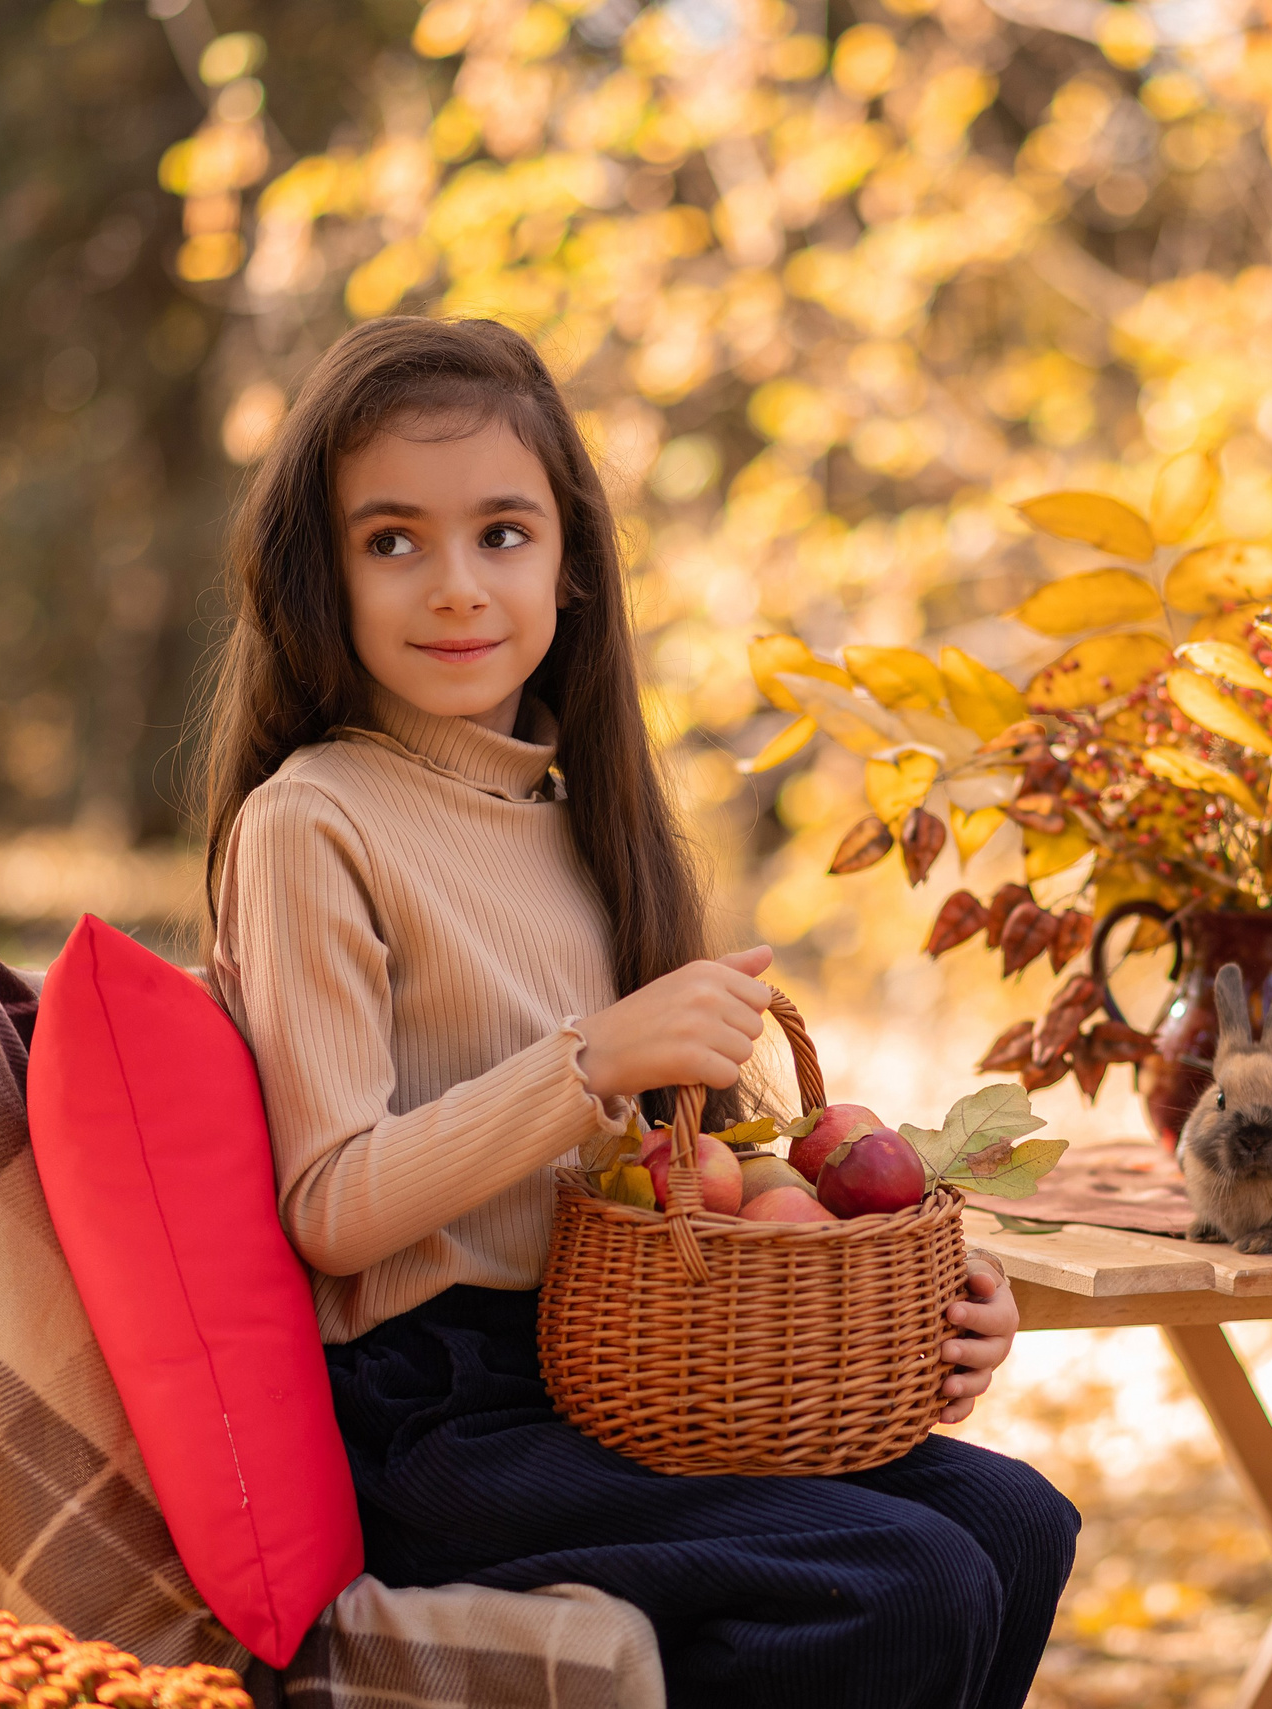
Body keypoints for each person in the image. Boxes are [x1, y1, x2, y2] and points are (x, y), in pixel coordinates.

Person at [199, 315, 1077, 1708]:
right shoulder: (313, 819)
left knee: (1017, 1524)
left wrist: (920, 1307)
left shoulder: (586, 821)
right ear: (325, 573)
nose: (455, 587)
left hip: (632, 1365)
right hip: (435, 1420)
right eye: (393, 540)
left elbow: (726, 1179)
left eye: (501, 533)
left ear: (570, 566)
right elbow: (330, 1205)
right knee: (904, 1579)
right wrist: (590, 1060)